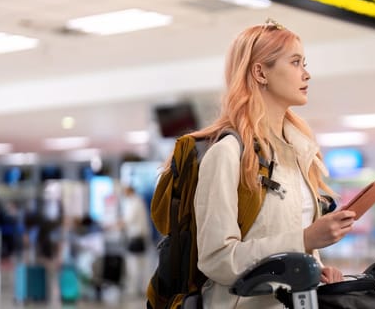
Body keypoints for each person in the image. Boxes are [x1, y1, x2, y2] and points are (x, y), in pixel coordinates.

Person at [186, 18, 356, 308]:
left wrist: (316, 269)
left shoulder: (299, 153)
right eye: (296, 62)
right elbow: (217, 260)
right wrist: (305, 239)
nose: (307, 74)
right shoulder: (227, 154)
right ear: (261, 72)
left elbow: (291, 238)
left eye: (305, 62)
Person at [118, 185, 150, 298]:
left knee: (134, 264)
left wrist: (117, 224)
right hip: (140, 237)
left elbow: (129, 219)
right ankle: (142, 287)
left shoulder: (134, 202)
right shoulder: (138, 201)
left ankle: (134, 289)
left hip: (136, 237)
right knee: (141, 264)